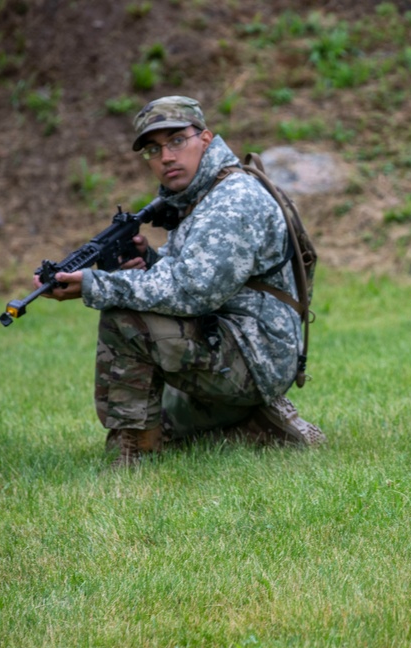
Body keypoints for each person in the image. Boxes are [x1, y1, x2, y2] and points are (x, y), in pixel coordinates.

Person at [38, 95, 325, 467]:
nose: (166, 157)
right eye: (153, 150)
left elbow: (193, 292)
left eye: (177, 141)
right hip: (239, 341)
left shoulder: (231, 200)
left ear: (205, 140)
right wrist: (150, 261)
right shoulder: (202, 196)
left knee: (126, 319)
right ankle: (256, 424)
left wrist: (96, 285)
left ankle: (135, 451)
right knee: (171, 424)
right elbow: (207, 277)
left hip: (256, 356)